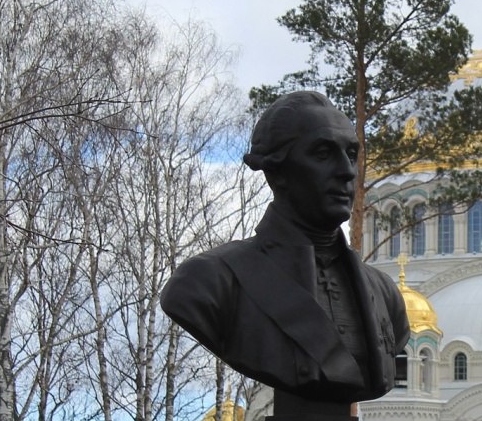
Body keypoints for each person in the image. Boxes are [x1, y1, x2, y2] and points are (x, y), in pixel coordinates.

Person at [160, 90, 408, 404]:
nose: (346, 171)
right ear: (277, 171)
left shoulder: (385, 294)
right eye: (322, 154)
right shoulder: (210, 281)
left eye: (350, 154)